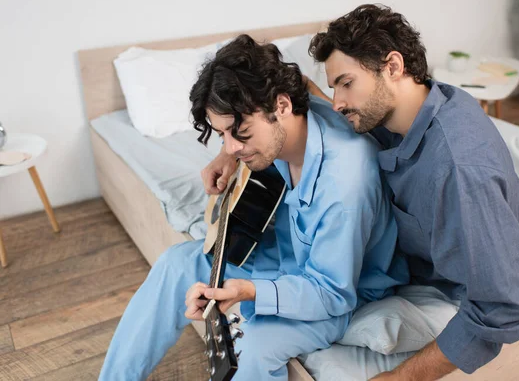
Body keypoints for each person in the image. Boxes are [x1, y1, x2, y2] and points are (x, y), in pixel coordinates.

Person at [203, 5, 519, 380]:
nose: (338, 102)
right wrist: (230, 154)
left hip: (455, 271)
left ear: (393, 66)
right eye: (334, 88)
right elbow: (294, 96)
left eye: (346, 83)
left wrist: (399, 377)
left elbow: (498, 311)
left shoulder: (457, 170)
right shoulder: (389, 110)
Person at [98, 34, 407, 381]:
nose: (232, 146)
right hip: (283, 256)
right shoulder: (293, 105)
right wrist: (226, 156)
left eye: (239, 132)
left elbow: (332, 293)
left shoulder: (346, 183)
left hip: (336, 294)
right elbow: (295, 77)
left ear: (282, 106)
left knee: (253, 349)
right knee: (175, 264)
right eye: (222, 134)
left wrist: (250, 292)